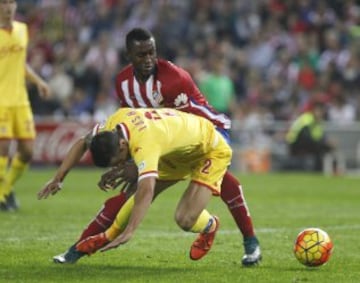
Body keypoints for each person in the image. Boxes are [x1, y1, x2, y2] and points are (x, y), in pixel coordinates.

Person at [46, 27, 261, 266]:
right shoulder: (124, 84)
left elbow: (181, 124)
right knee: (129, 193)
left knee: (222, 186)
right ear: (129, 55)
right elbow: (124, 129)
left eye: (152, 53)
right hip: (165, 142)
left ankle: (250, 241)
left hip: (205, 133)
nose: (149, 60)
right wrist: (60, 177)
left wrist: (137, 167)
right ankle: (76, 250)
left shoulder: (173, 79)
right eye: (142, 55)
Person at [39, 107, 232, 261]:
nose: (121, 165)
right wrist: (58, 178)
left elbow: (146, 191)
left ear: (122, 145)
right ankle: (103, 239)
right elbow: (83, 142)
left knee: (185, 219)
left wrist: (130, 231)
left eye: (119, 160)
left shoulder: (145, 143)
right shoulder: (115, 120)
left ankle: (210, 226)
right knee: (132, 192)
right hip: (175, 152)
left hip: (209, 149)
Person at [0, 0, 51, 211]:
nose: (8, 7)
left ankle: (5, 190)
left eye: (11, 2)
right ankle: (2, 197)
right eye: (3, 3)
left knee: (28, 151)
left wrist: (38, 81)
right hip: (0, 101)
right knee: (3, 149)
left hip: (20, 100)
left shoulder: (22, 30)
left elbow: (21, 63)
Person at [286, 100, 335, 171]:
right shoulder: (307, 118)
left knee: (325, 147)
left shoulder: (317, 123)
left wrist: (327, 143)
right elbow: (305, 136)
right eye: (319, 110)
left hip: (305, 145)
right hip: (295, 145)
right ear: (314, 110)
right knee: (320, 147)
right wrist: (324, 144)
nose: (320, 113)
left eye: (322, 111)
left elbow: (319, 137)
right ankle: (316, 170)